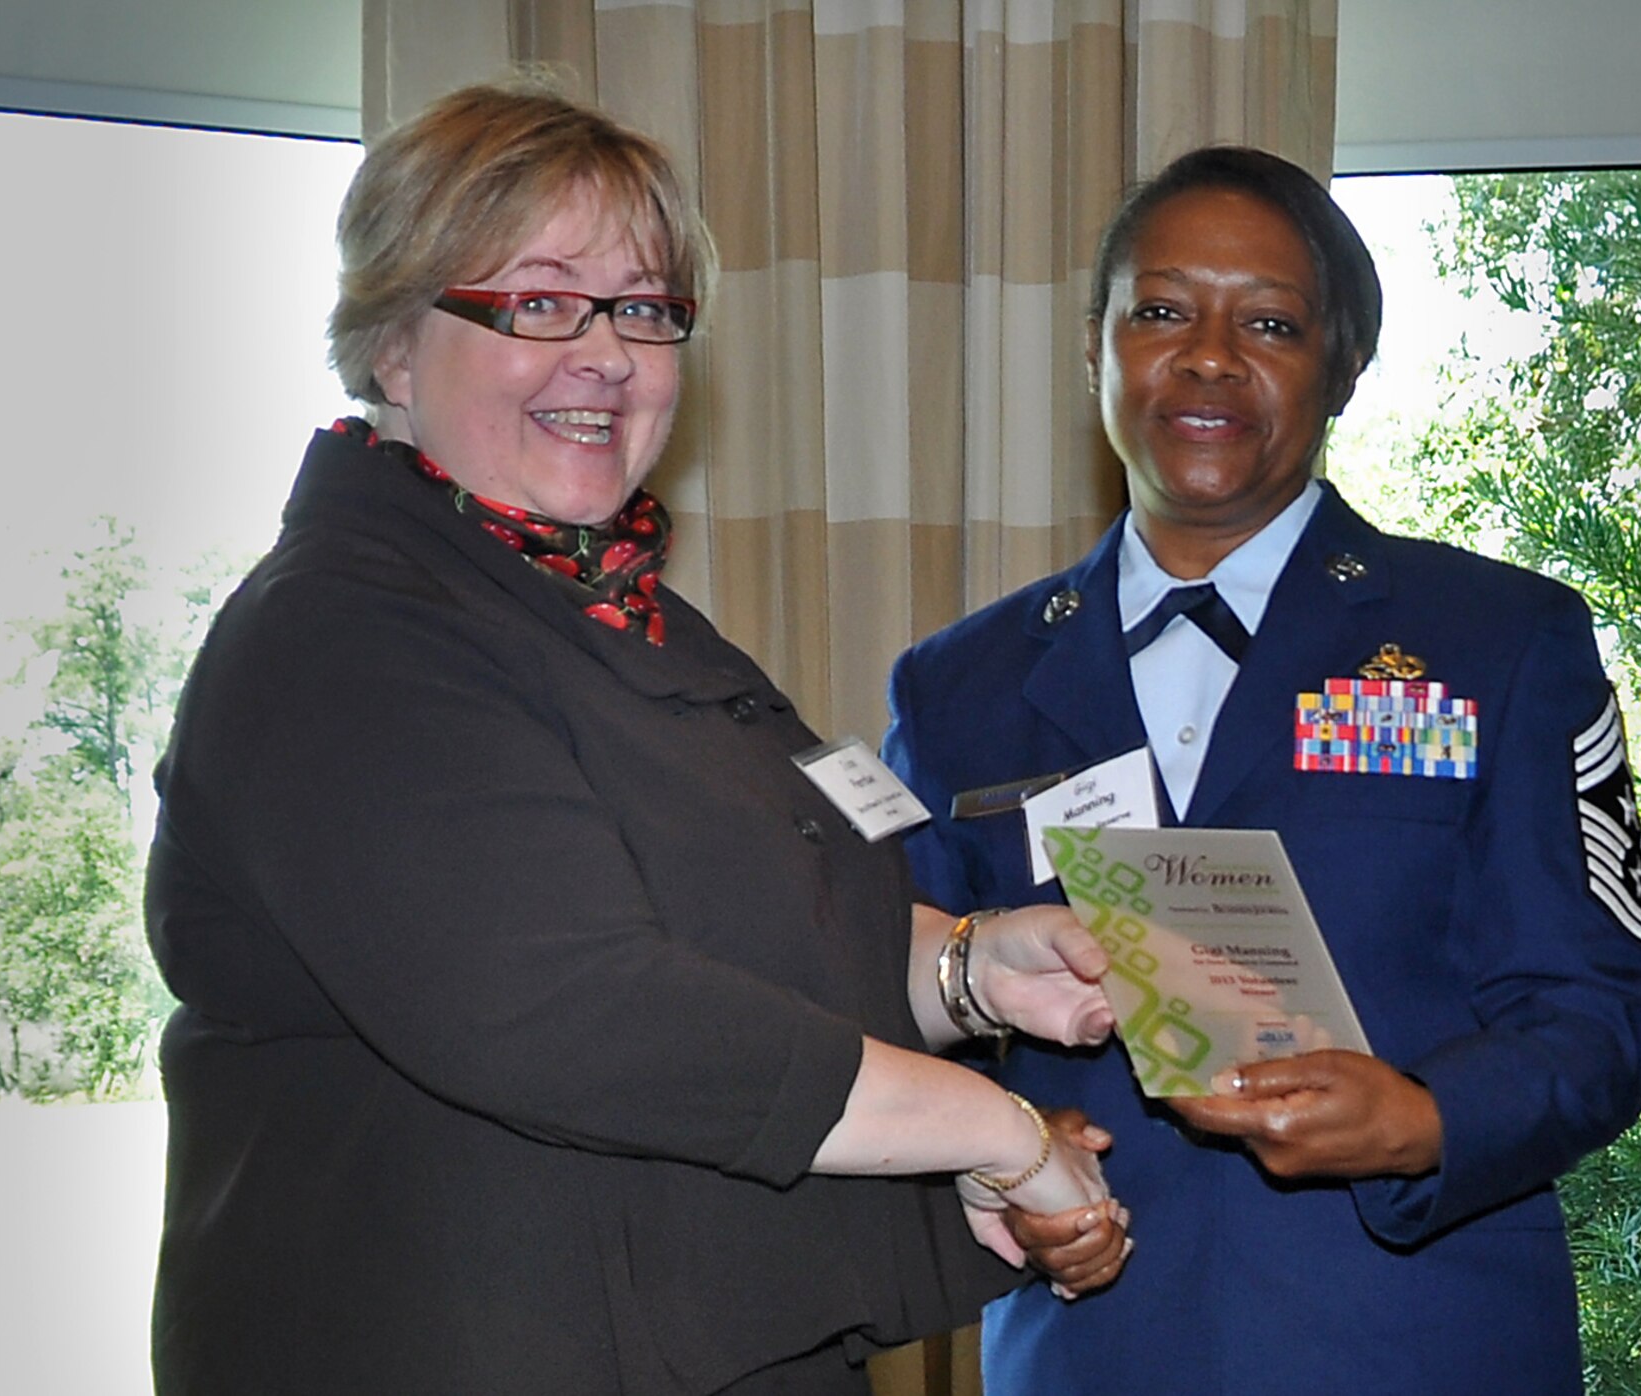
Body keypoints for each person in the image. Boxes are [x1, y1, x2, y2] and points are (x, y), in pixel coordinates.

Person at [144, 80, 1129, 1396]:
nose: (608, 352)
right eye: (541, 301)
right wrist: (993, 1130)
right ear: (392, 342)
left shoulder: (639, 621)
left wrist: (966, 970)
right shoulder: (340, 635)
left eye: (648, 310)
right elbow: (576, 1012)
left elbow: (758, 932)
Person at [882, 146, 1641, 1395]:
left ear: (1342, 368)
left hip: (1415, 1344)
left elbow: (1600, 1015)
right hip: (1091, 1348)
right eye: (1160, 311)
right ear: (1093, 345)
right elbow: (906, 1006)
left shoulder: (1499, 643)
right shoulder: (956, 686)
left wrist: (1421, 1119)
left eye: (1267, 321)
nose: (1206, 355)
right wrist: (998, 1151)